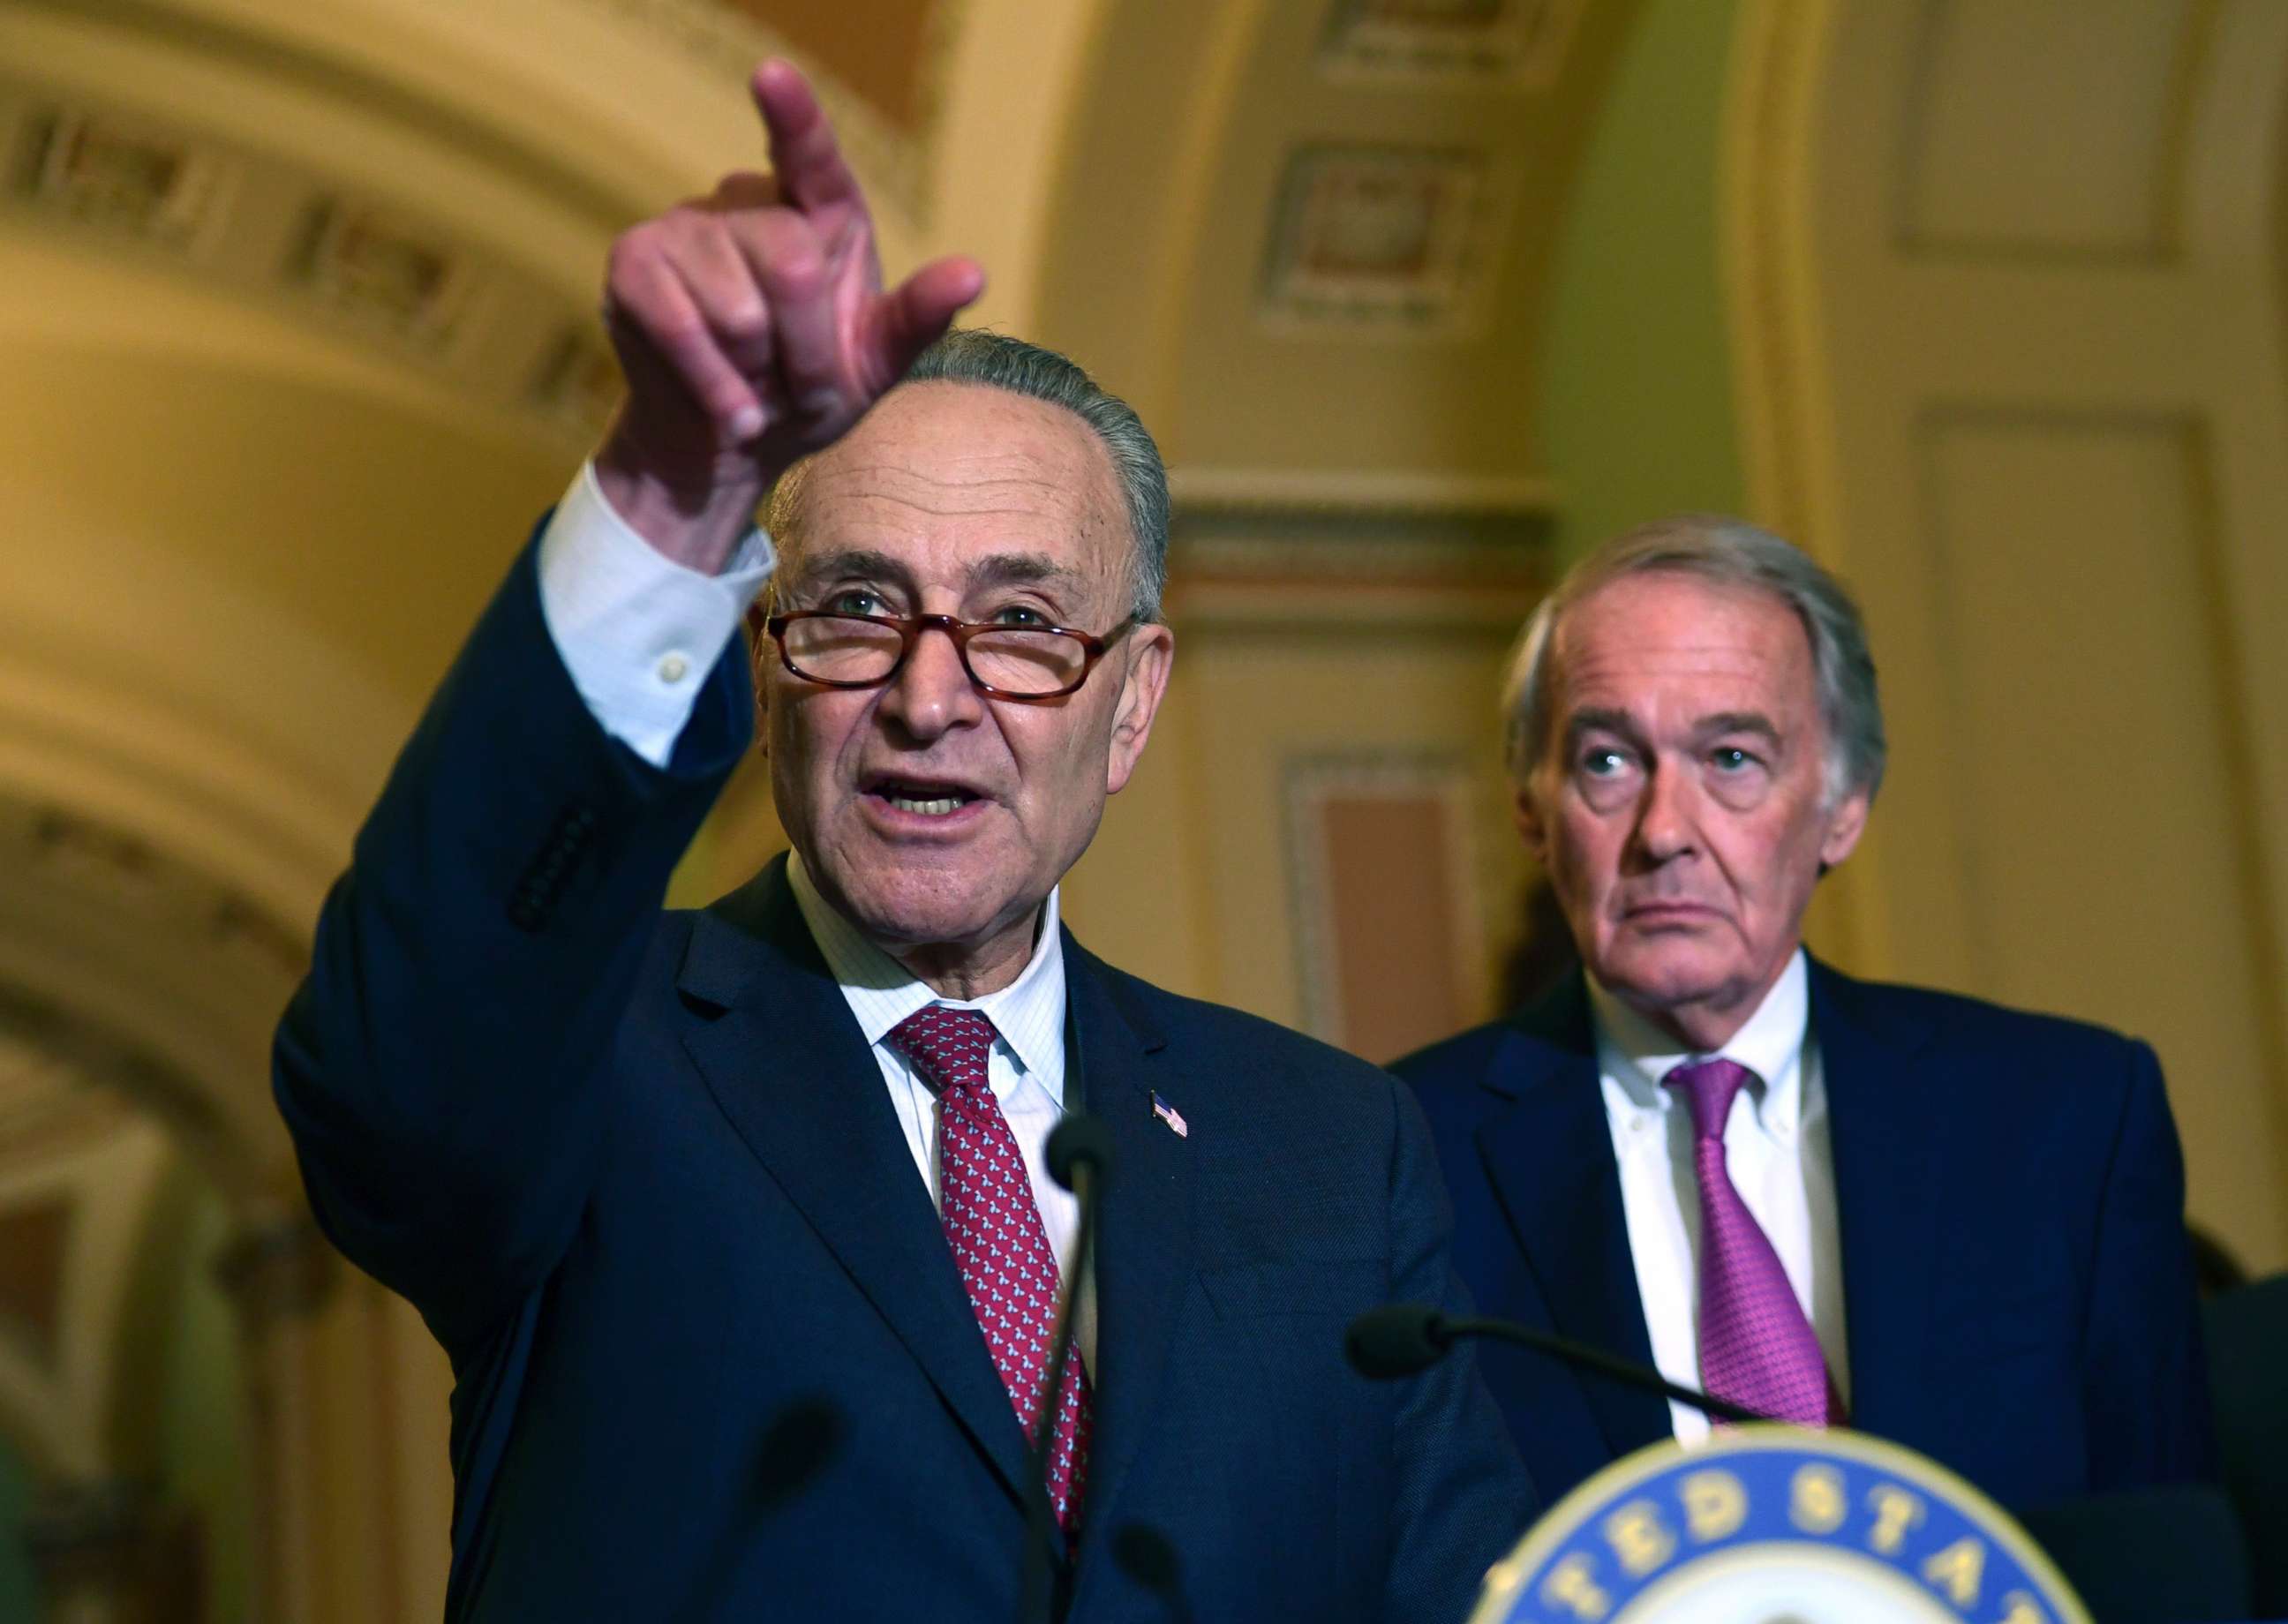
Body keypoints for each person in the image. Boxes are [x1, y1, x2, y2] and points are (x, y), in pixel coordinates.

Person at [272, 60, 1532, 1622]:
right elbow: (394, 1078)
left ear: (1128, 705)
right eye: (859, 608)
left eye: (1019, 623)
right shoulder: (593, 1063)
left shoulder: (1333, 1150)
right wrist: (675, 488)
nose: (930, 696)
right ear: (768, 655)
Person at [1394, 515, 2217, 1512]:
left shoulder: (2066, 1118)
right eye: (1608, 760)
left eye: (1731, 757)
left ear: (1844, 804)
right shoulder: (1401, 1156)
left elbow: (2172, 1553)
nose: (1664, 832)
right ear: (1533, 808)